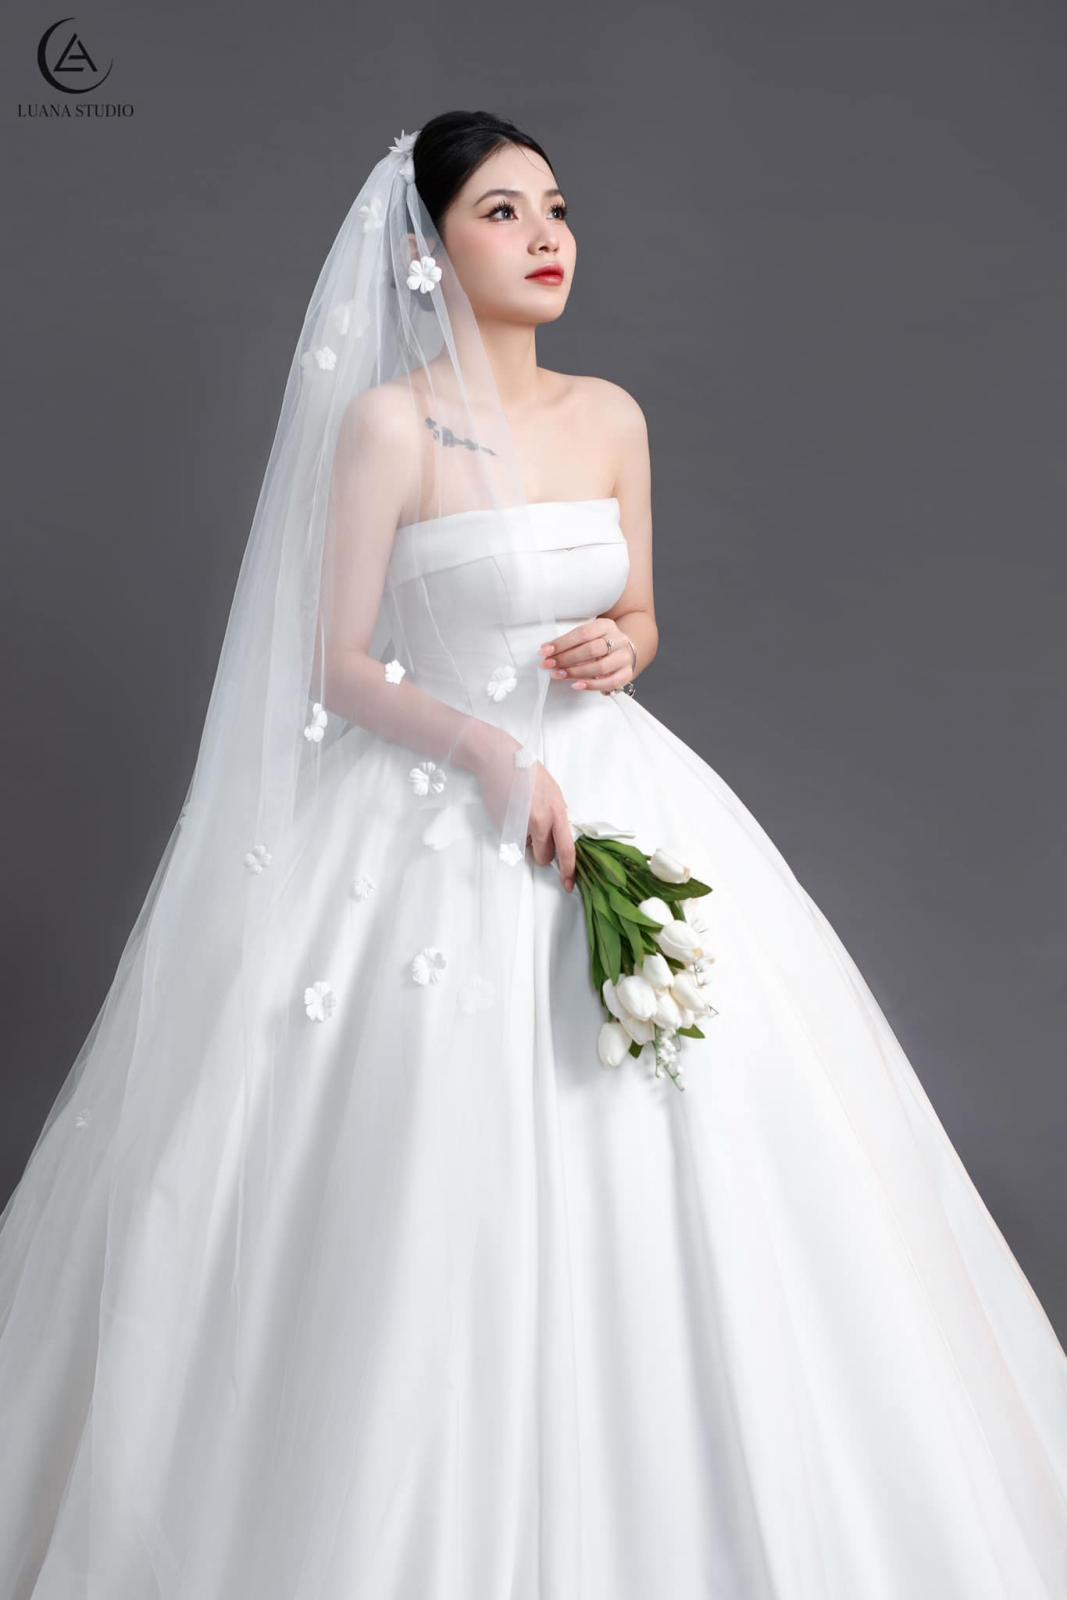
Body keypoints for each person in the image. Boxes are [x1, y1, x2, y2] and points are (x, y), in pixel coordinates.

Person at [1, 108, 1065, 1599]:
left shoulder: (611, 415)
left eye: (555, 206)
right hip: (436, 809)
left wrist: (622, 648)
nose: (547, 235)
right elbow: (336, 663)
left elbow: (641, 615)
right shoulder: (390, 427)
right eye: (501, 212)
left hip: (623, 790)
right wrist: (490, 754)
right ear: (428, 248)